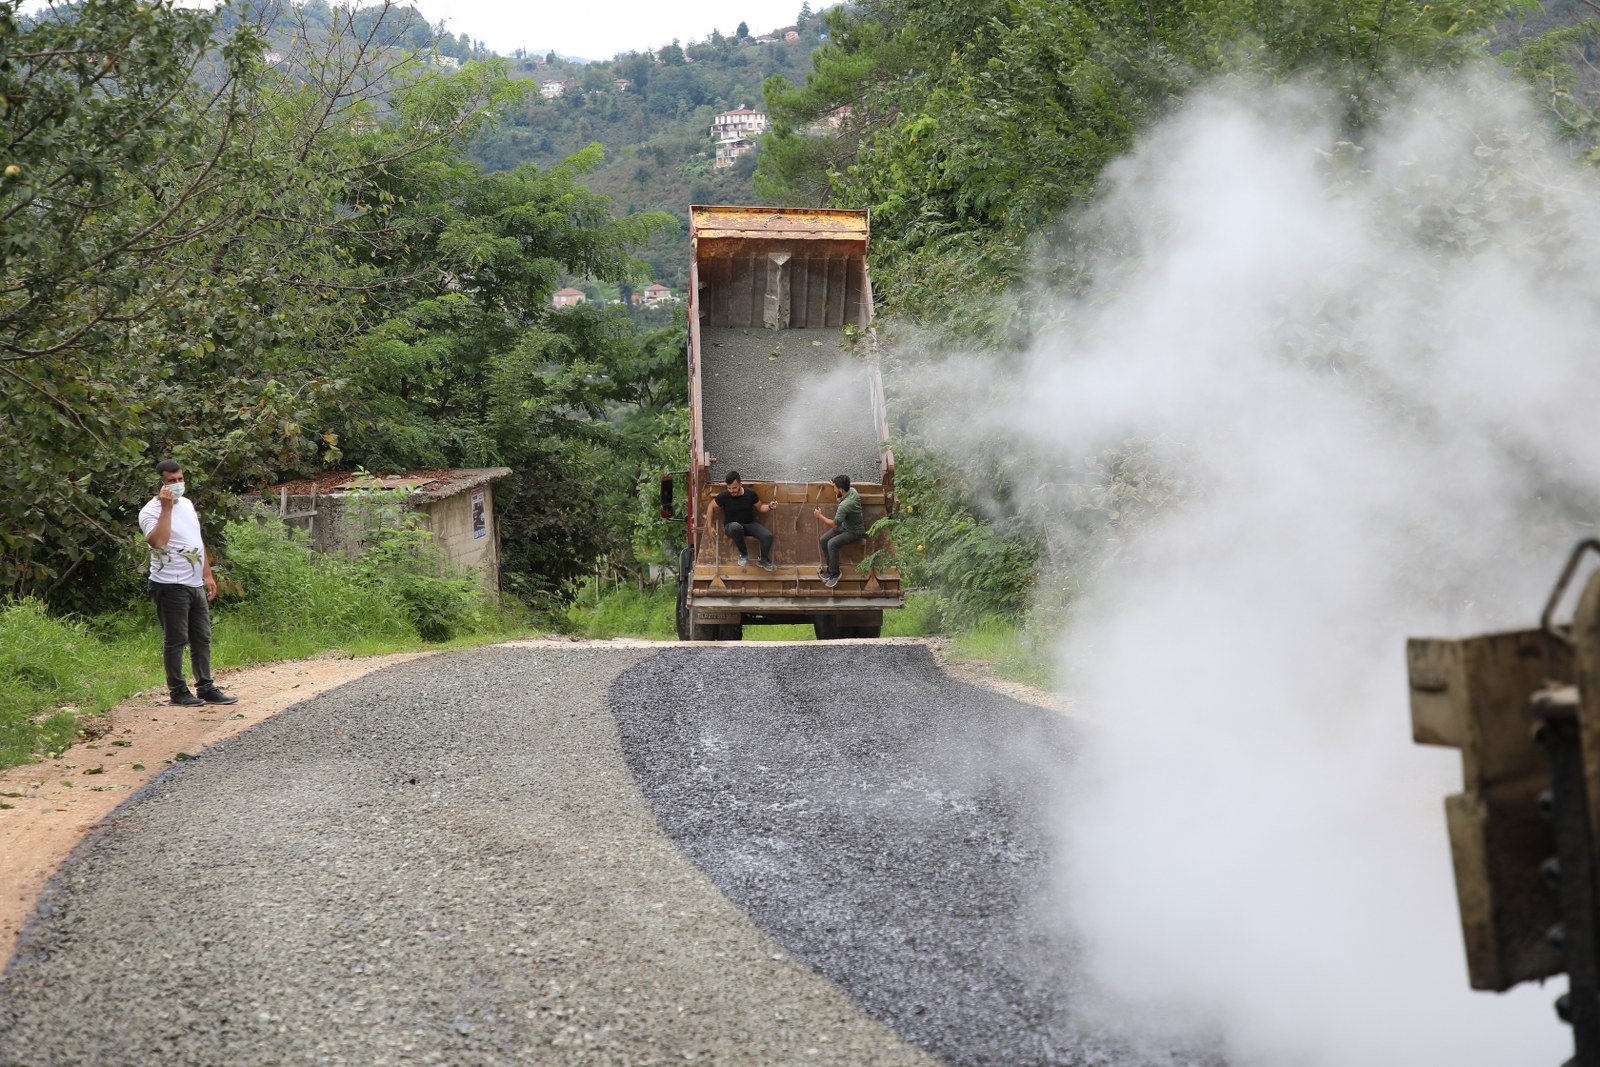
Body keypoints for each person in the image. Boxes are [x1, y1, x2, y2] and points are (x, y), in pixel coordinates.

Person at [139, 459, 236, 707]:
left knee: (202, 637)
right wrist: (166, 508)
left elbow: (196, 539)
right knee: (176, 639)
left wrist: (207, 574)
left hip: (194, 583)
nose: (178, 484)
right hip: (169, 584)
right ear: (160, 483)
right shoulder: (150, 511)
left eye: (180, 479)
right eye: (172, 481)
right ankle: (178, 691)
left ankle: (206, 687)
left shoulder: (188, 504)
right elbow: (157, 542)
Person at [705, 470, 778, 570]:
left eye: (734, 488)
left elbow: (760, 507)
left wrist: (770, 506)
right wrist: (709, 527)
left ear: (740, 484)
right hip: (731, 527)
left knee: (768, 536)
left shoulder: (751, 494)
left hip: (748, 524)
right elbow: (711, 506)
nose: (731, 491)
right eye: (729, 488)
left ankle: (763, 560)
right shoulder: (724, 496)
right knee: (736, 527)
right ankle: (743, 555)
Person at [813, 474, 865, 589]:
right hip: (846, 525)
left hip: (855, 532)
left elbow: (834, 524)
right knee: (823, 540)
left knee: (832, 543)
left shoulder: (845, 506)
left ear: (841, 489)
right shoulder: (852, 491)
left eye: (835, 488)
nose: (834, 489)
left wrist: (819, 516)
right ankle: (830, 568)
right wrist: (834, 486)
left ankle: (835, 574)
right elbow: (840, 497)